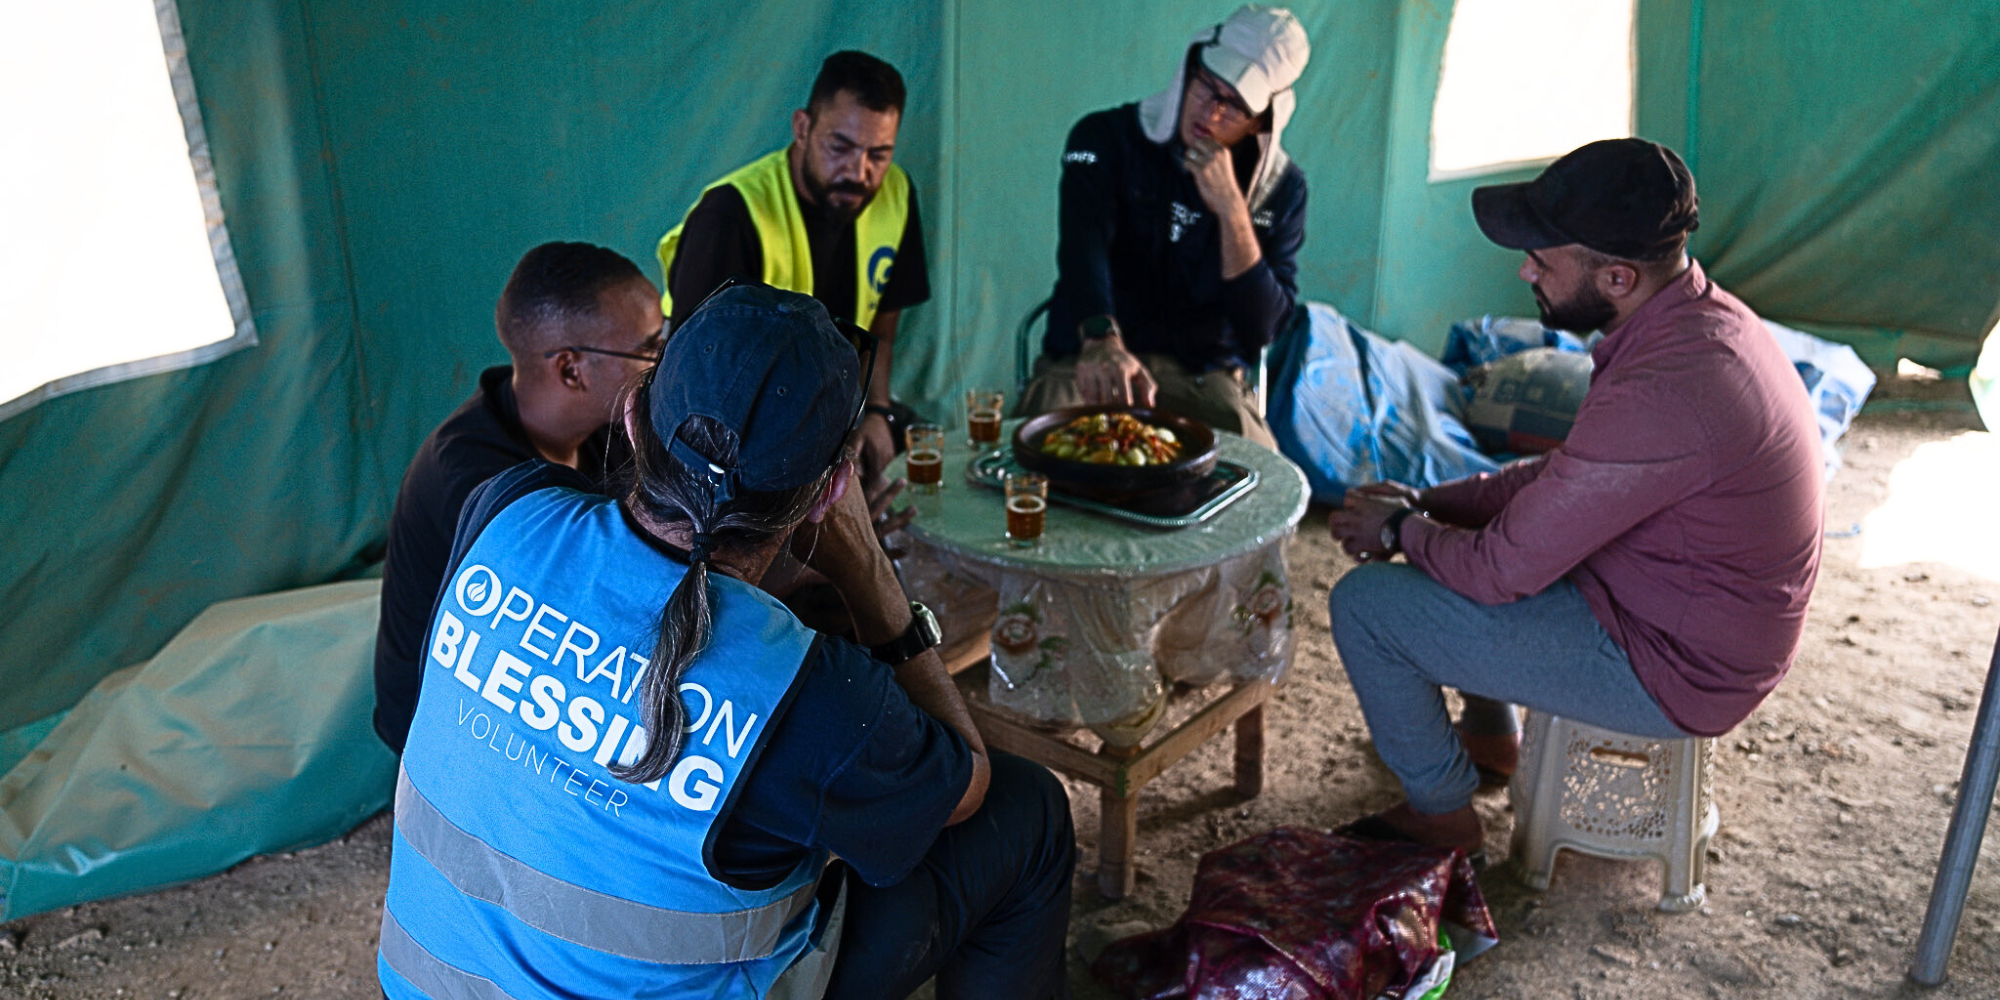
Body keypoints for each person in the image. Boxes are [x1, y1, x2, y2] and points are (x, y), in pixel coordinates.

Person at [377, 284, 1075, 1000]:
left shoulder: (506, 509)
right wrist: (868, 573)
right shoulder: (805, 688)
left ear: (632, 419)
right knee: (1025, 809)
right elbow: (965, 785)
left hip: (423, 984)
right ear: (833, 491)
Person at [1325, 138, 1823, 857]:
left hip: (1675, 666)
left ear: (1617, 277)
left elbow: (1501, 571)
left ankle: (1442, 819)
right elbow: (1561, 482)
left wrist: (1402, 531)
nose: (1525, 269)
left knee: (1368, 605)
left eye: (1542, 258)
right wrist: (1431, 504)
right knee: (1458, 545)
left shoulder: (1667, 391)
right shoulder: (1688, 322)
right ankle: (1492, 739)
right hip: (1672, 606)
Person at [372, 242, 662, 754]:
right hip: (450, 729)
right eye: (649, 348)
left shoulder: (602, 424)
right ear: (572, 370)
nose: (663, 363)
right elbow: (606, 614)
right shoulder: (477, 482)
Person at [1018, 4, 1311, 448]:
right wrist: (1100, 339)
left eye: (1233, 105)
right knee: (1035, 463)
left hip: (1204, 379)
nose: (1210, 113)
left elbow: (1261, 329)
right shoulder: (1102, 139)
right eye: (1206, 85)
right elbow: (1083, 249)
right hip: (1091, 362)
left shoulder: (1283, 191)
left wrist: (1232, 209)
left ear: (1262, 120)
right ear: (1189, 66)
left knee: (1261, 485)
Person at [658, 51, 930, 488]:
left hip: (831, 407)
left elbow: (882, 325)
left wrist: (877, 412)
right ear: (802, 127)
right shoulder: (732, 215)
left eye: (878, 154)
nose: (859, 172)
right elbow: (694, 387)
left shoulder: (895, 192)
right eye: (840, 147)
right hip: (736, 442)